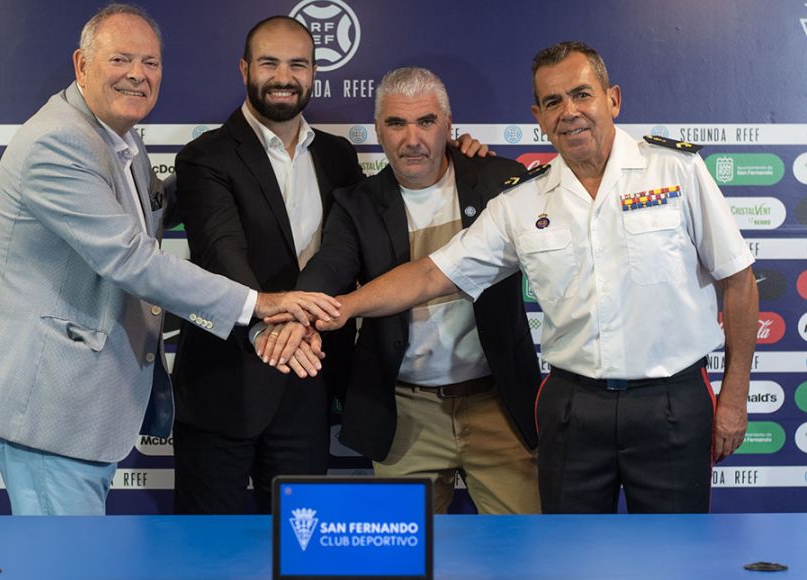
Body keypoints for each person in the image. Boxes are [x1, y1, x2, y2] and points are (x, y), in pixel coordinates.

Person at [267, 42, 758, 514]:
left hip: (671, 401)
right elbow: (431, 275)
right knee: (565, 557)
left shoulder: (677, 172)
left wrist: (734, 397)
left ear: (613, 99)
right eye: (552, 102)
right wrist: (340, 307)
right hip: (571, 408)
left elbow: (737, 279)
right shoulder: (521, 201)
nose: (568, 111)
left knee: (674, 555)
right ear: (538, 117)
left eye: (581, 94)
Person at [0, 4, 339, 516]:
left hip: (81, 408)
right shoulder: (59, 142)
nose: (138, 75)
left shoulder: (118, 137)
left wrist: (218, 180)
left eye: (151, 63)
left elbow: (154, 207)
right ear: (82, 65)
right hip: (49, 408)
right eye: (121, 59)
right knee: (63, 565)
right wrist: (258, 304)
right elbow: (131, 258)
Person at [171, 17, 490, 514]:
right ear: (244, 69)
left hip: (308, 384)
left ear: (314, 72)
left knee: (300, 546)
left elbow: (346, 254)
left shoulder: (339, 156)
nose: (284, 76)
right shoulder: (204, 156)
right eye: (269, 63)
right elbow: (221, 255)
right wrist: (270, 330)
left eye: (297, 64)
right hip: (224, 385)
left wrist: (465, 155)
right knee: (206, 552)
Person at [267, 67, 541, 514]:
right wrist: (300, 307)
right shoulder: (355, 203)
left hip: (499, 407)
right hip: (405, 413)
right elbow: (331, 264)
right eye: (396, 123)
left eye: (426, 122)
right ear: (378, 130)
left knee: (525, 552)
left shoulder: (500, 182)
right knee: (398, 560)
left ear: (449, 127)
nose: (412, 138)